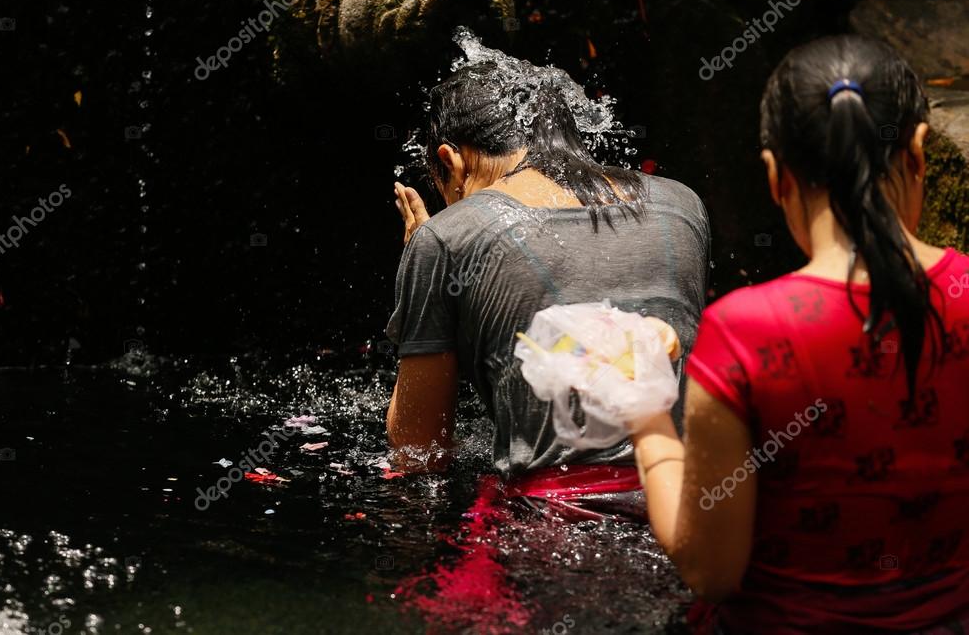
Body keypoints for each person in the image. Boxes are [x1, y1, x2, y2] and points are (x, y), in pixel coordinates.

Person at [631, 34, 969, 633]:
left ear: (776, 177)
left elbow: (711, 571)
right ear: (918, 152)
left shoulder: (745, 332)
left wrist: (649, 419)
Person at [385, 59, 709, 518]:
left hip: (550, 523)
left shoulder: (448, 236)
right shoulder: (681, 206)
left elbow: (420, 450)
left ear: (450, 161)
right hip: (692, 507)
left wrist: (427, 275)